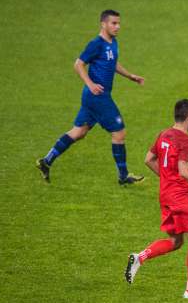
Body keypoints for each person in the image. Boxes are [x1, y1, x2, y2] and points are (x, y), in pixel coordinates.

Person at [124, 99, 188, 299]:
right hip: (182, 196)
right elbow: (184, 171)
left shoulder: (164, 134)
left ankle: (139, 257)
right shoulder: (187, 141)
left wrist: (167, 178)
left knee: (176, 241)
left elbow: (148, 160)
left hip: (166, 194)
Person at [36, 10, 146, 185]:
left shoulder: (113, 42)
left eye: (118, 23)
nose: (118, 27)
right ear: (103, 24)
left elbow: (113, 61)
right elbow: (78, 64)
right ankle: (123, 176)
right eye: (113, 23)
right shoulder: (96, 44)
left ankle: (46, 161)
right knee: (119, 133)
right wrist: (90, 83)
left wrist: (130, 76)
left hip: (93, 97)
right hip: (98, 96)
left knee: (79, 132)